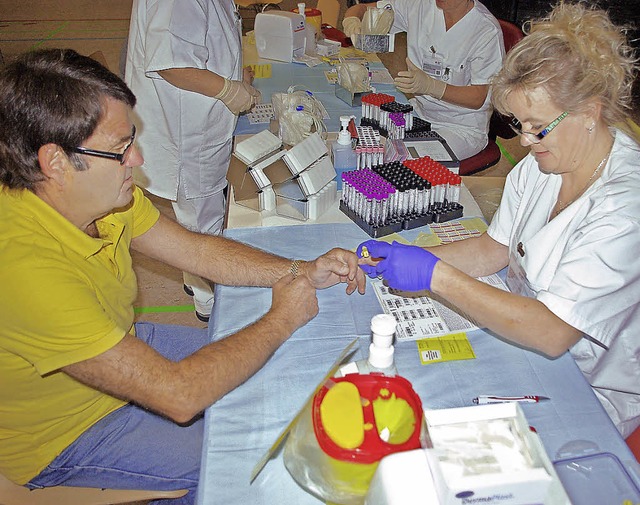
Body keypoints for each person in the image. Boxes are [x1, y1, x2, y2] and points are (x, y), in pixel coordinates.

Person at [0, 48, 366, 504]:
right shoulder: (25, 271)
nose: (137, 158)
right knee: (253, 462)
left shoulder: (99, 194)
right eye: (119, 149)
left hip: (117, 341)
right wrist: (281, 318)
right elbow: (180, 395)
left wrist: (299, 271)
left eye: (130, 139)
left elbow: (194, 250)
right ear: (55, 162)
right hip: (67, 431)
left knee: (289, 373)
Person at [357, 1, 640, 438]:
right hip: (520, 335)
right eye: (519, 124)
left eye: (538, 126)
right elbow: (494, 248)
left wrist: (436, 276)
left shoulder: (625, 207)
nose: (525, 142)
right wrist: (409, 255)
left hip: (587, 383)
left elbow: (552, 332)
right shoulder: (544, 163)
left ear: (591, 111)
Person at [125, 0, 261, 322]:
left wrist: (229, 72)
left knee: (194, 213)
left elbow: (198, 40)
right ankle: (209, 305)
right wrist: (228, 89)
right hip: (186, 130)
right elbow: (172, 63)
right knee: (203, 219)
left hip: (195, 121)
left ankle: (194, 280)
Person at [342, 0, 505, 159]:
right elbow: (362, 8)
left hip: (460, 128)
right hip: (419, 113)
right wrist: (352, 20)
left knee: (400, 159)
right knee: (359, 136)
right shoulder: (419, 6)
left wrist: (432, 87)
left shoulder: (486, 31)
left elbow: (478, 97)